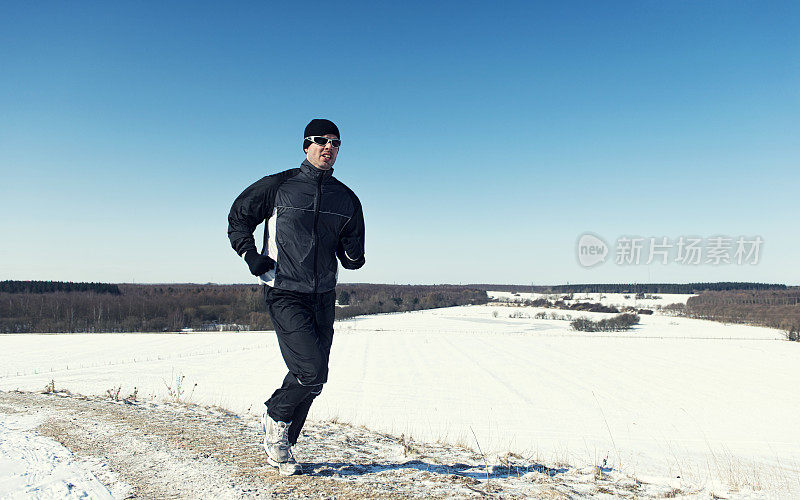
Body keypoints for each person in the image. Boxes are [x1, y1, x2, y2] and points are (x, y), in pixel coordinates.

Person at [227, 119, 365, 475]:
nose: (328, 147)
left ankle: (283, 443)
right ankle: (275, 417)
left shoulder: (346, 198)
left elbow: (352, 250)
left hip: (323, 295)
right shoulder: (279, 185)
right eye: (321, 141)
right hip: (284, 290)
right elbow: (239, 218)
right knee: (311, 370)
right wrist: (250, 256)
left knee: (315, 380)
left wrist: (353, 255)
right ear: (306, 145)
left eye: (335, 142)